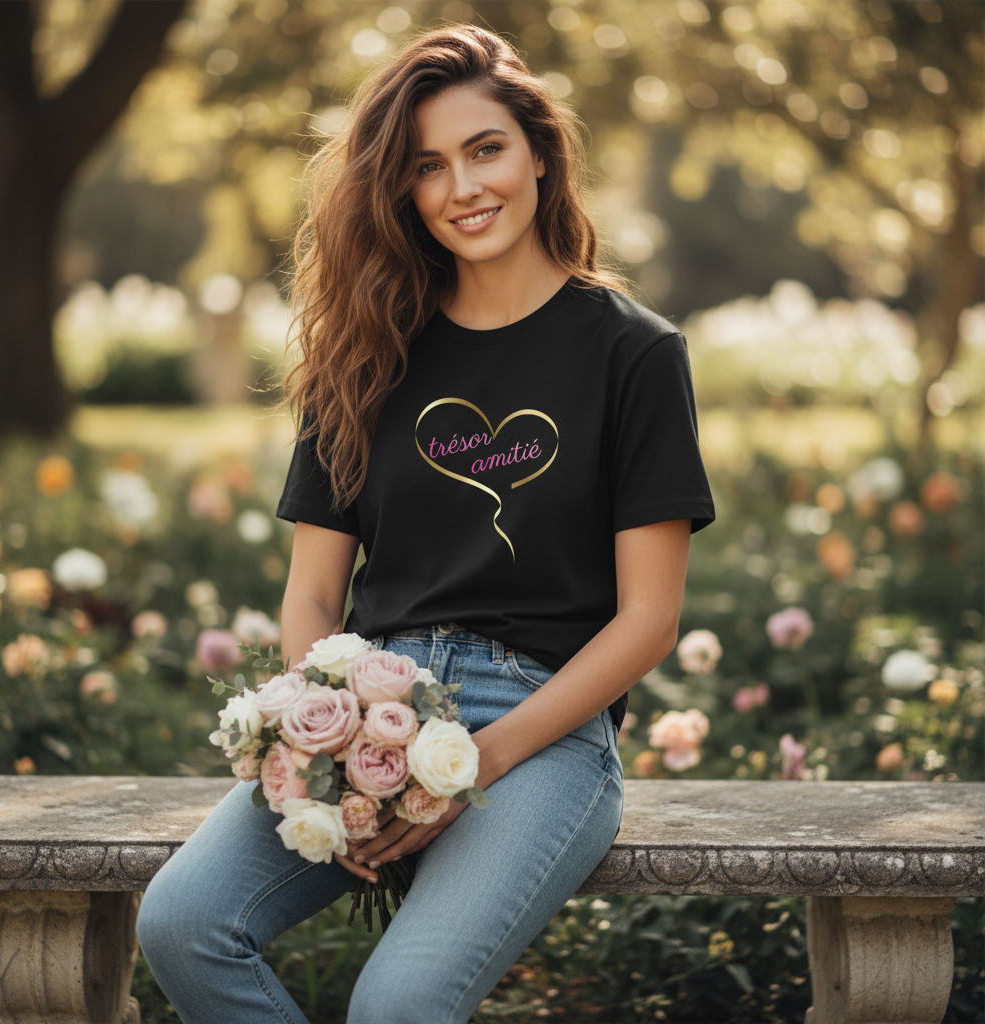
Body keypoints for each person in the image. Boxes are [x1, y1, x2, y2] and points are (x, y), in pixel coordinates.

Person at [137, 24, 714, 1024]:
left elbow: (646, 621)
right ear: (399, 190)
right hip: (373, 711)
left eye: (484, 148)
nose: (462, 187)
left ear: (536, 150)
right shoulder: (365, 352)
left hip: (543, 734)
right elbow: (314, 593)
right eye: (425, 167)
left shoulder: (634, 354)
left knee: (396, 1005)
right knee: (182, 922)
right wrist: (334, 756)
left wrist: (477, 762)